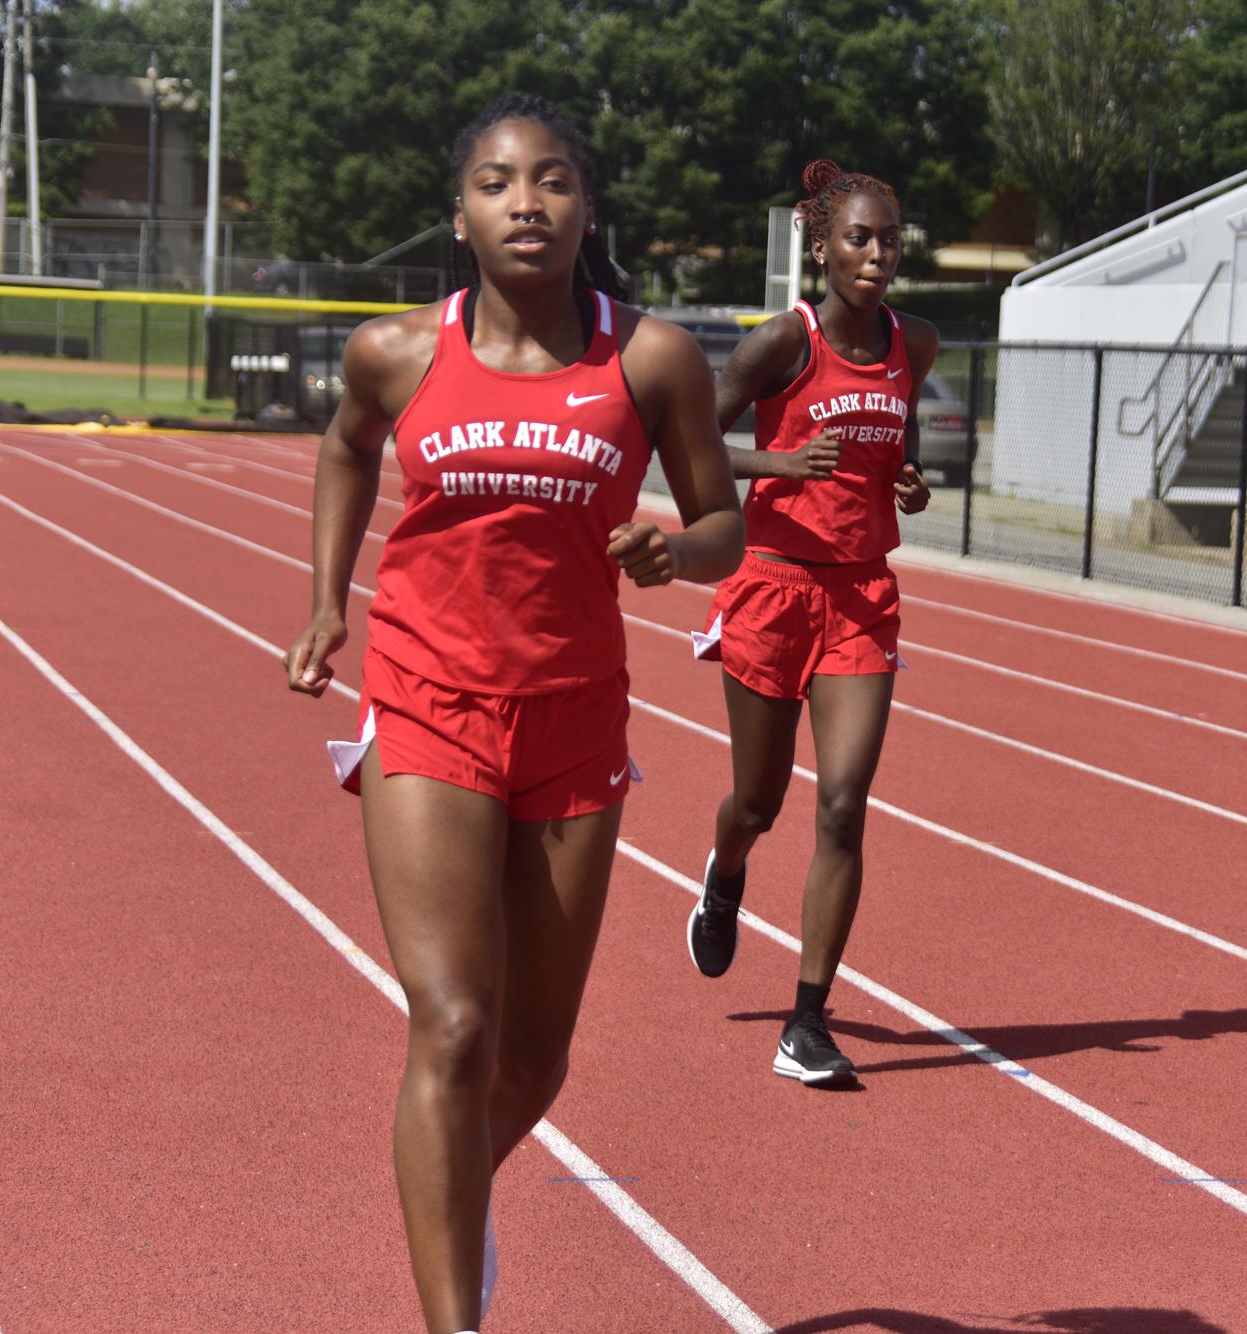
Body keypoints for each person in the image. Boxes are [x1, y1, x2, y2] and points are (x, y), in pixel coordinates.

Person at [283, 94, 743, 1332]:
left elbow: (723, 521)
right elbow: (344, 451)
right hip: (427, 699)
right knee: (452, 1018)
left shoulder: (648, 358)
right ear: (460, 212)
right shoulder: (397, 352)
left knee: (532, 1062)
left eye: (550, 181)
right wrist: (328, 599)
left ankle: (447, 1206)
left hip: (574, 718)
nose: (525, 202)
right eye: (496, 183)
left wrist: (674, 548)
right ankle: (454, 1318)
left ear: (585, 208)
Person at [686, 159, 936, 1086]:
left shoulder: (918, 340)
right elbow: (695, 439)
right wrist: (777, 465)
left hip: (861, 597)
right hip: (772, 585)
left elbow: (896, 443)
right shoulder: (776, 347)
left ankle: (806, 1019)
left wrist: (909, 478)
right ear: (822, 245)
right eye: (861, 239)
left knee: (843, 803)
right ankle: (724, 870)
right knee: (760, 801)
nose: (878, 255)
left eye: (892, 240)